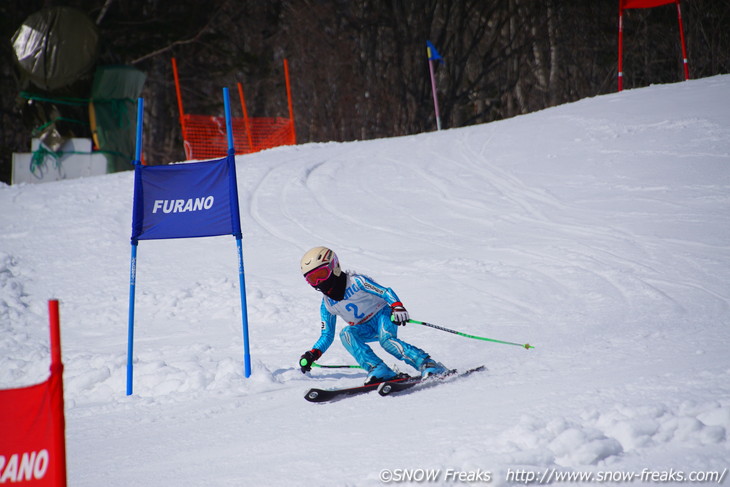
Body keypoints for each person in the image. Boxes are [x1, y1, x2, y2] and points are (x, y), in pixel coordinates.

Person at [298, 246, 449, 384]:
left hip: (382, 315)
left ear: (334, 266)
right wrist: (313, 354)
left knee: (387, 341)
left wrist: (397, 307)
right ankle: (378, 369)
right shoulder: (327, 305)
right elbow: (326, 335)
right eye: (312, 279)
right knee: (346, 334)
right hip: (363, 327)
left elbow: (384, 292)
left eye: (321, 274)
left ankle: (428, 365)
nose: (318, 282)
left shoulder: (357, 282)